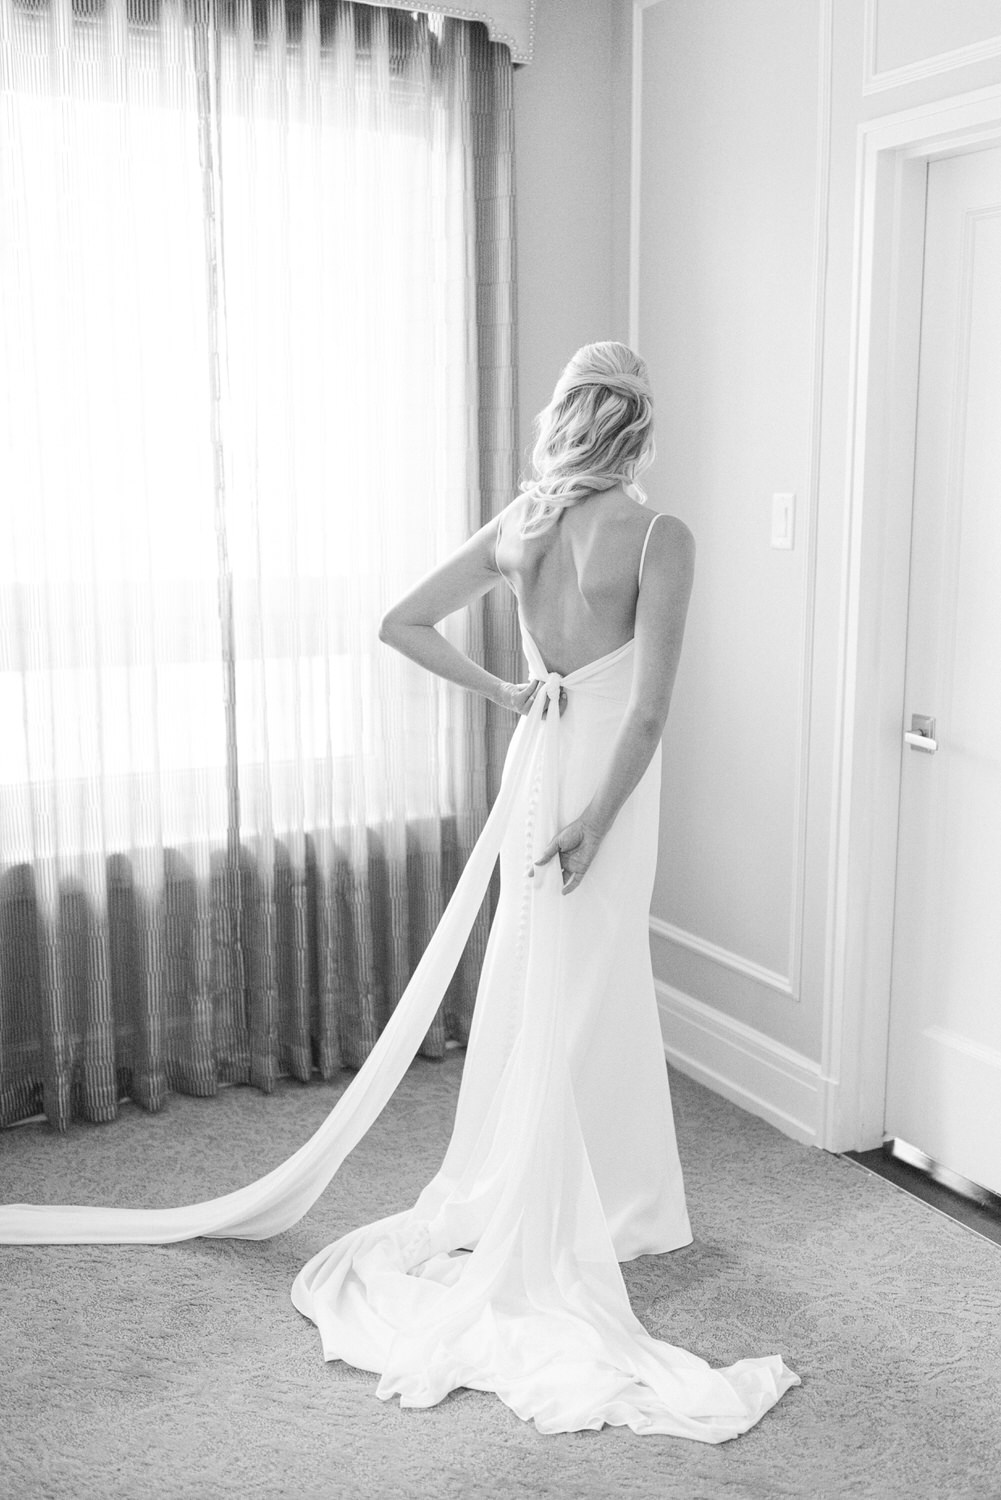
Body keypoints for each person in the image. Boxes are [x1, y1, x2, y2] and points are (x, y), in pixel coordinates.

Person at [0, 342, 799, 1439]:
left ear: (568, 417)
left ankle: (601, 1198)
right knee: (594, 981)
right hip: (605, 788)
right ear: (640, 429)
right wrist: (594, 821)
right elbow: (651, 714)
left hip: (544, 763)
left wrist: (508, 692)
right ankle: (590, 1209)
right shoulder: (662, 536)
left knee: (540, 988)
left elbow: (399, 622)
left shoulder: (522, 523)